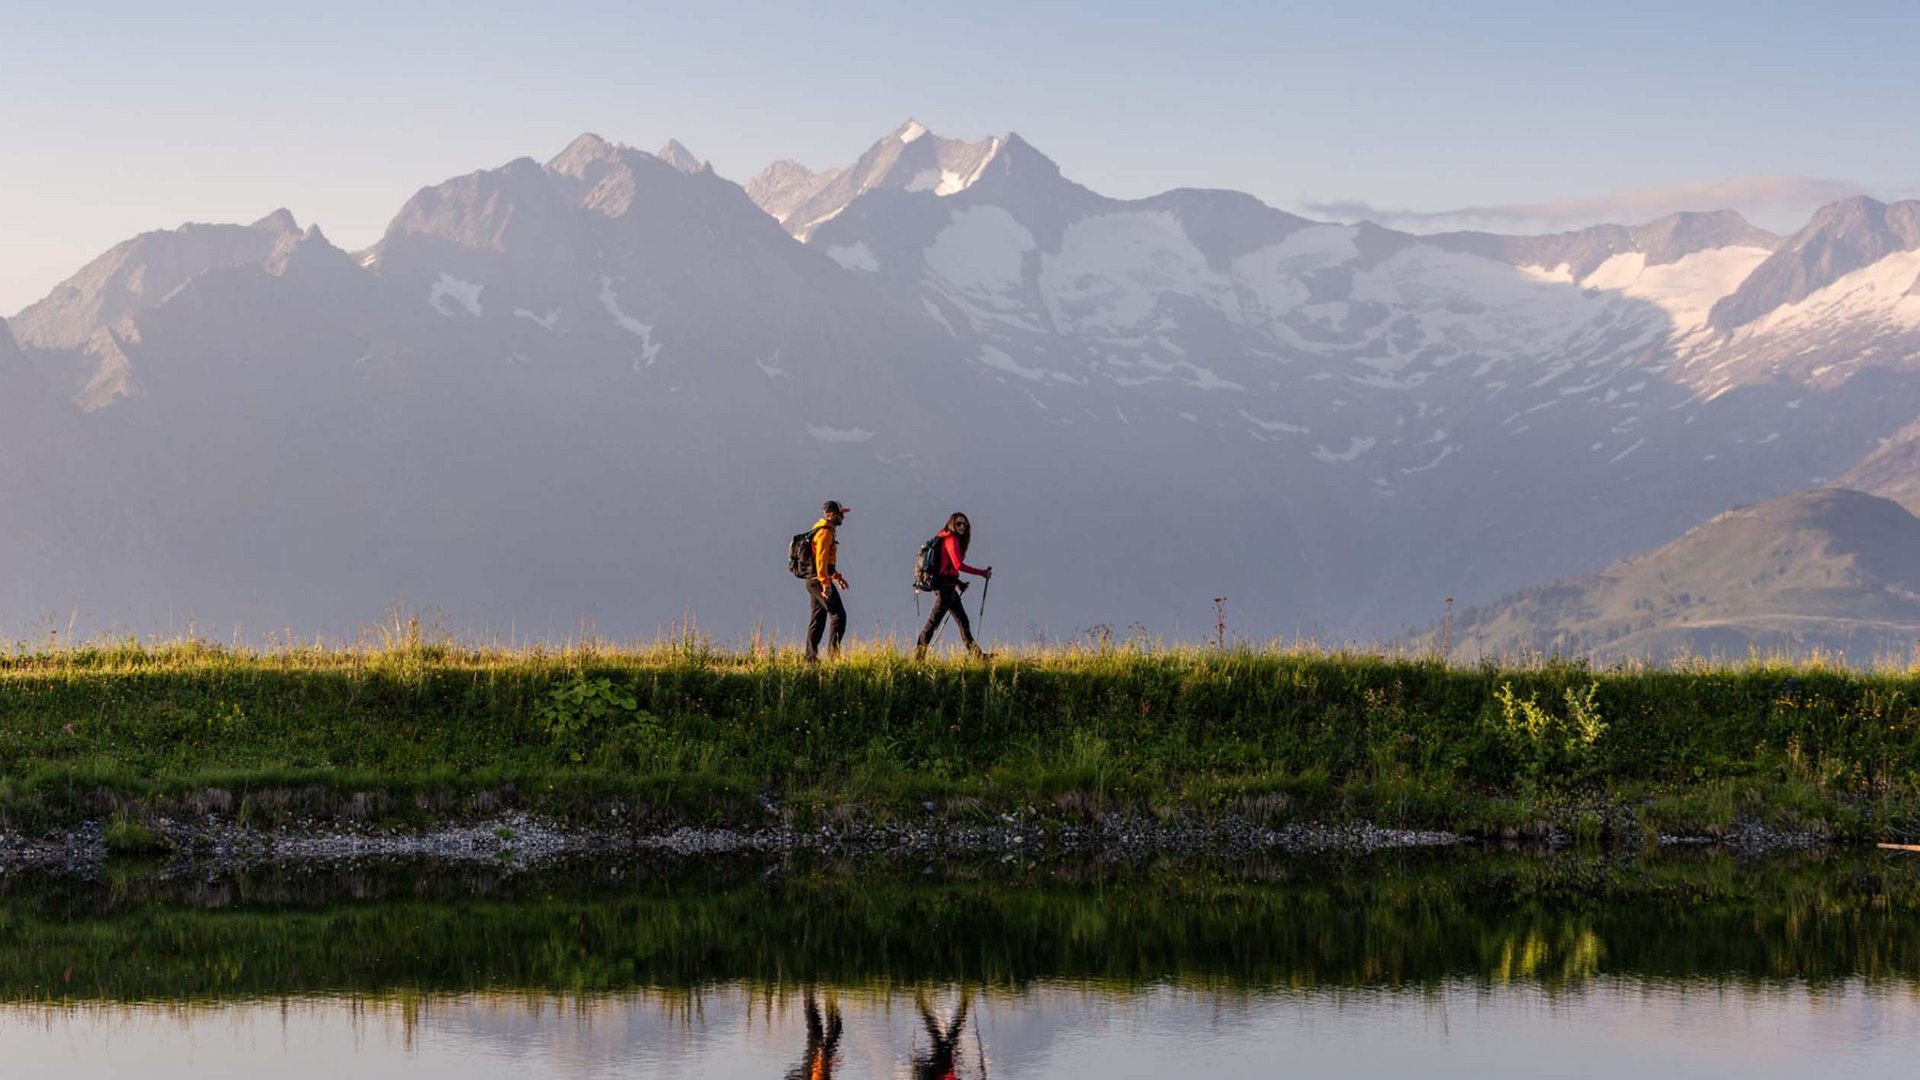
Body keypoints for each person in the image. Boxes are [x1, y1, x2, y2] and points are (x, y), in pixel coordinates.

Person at [915, 512, 992, 661]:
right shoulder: (952, 539)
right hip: (945, 590)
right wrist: (982, 573)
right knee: (932, 623)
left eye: (965, 524)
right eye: (958, 524)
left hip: (949, 587)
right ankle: (918, 658)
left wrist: (959, 583)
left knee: (963, 621)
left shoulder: (946, 538)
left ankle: (979, 656)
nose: (962, 526)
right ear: (952, 524)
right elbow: (958, 565)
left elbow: (948, 567)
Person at [805, 500, 851, 663]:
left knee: (818, 618)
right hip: (818, 581)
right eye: (841, 514)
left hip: (813, 580)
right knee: (839, 615)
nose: (843, 518)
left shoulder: (821, 528)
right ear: (832, 514)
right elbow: (820, 560)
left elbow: (826, 563)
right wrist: (826, 584)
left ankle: (810, 659)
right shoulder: (825, 533)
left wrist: (837, 578)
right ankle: (833, 657)